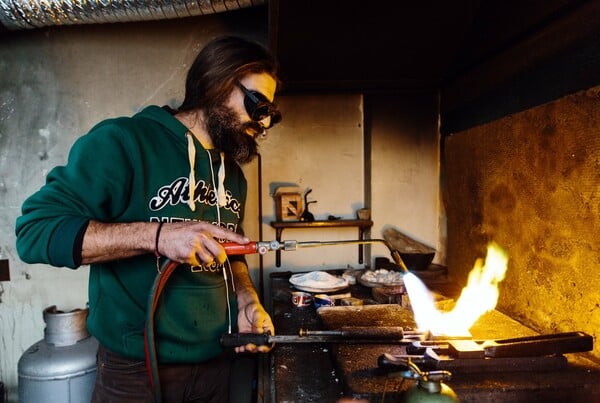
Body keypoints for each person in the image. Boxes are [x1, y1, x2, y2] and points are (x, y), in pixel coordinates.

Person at [15, 35, 282, 402]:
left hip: (217, 366)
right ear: (216, 82)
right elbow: (34, 231)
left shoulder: (232, 174)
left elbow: (229, 251)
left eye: (271, 114)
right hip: (136, 374)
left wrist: (246, 299)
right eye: (258, 105)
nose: (263, 123)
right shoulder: (124, 141)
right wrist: (158, 236)